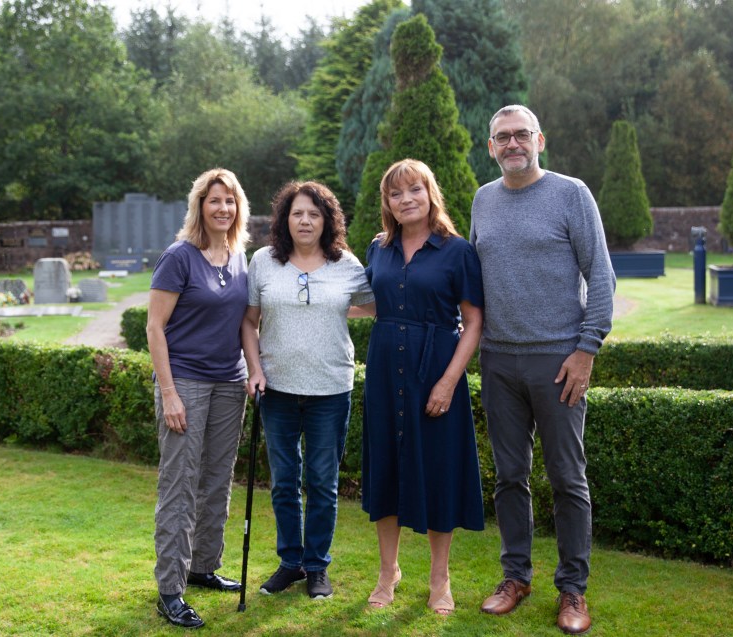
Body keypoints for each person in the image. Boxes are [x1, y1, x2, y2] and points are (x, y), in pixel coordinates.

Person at [470, 105, 615, 635]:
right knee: (510, 476)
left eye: (521, 135)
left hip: (558, 360)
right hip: (498, 360)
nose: (512, 144)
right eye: (502, 137)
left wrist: (586, 349)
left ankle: (573, 589)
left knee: (566, 477)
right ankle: (516, 577)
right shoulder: (483, 201)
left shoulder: (571, 193)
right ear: (490, 147)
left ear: (540, 140)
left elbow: (600, 274)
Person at [360, 159, 485, 615]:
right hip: (383, 369)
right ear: (387, 203)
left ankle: (439, 578)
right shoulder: (378, 248)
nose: (406, 199)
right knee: (388, 469)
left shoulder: (457, 250)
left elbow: (473, 323)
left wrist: (448, 382)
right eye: (396, 194)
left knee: (437, 470)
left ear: (431, 193)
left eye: (414, 189)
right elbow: (368, 305)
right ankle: (387, 573)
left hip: (436, 368)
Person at [241, 181, 374, 601]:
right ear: (285, 218)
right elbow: (249, 321)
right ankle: (290, 562)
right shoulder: (263, 262)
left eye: (314, 214)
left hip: (330, 389)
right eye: (298, 213)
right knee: (284, 482)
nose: (305, 220)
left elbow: (374, 306)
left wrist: (333, 306)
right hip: (276, 388)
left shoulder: (347, 265)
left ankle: (317, 566)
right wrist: (255, 369)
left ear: (327, 220)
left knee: (321, 482)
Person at [147, 168, 251, 629]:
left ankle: (203, 566)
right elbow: (155, 328)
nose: (222, 208)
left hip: (231, 384)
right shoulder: (179, 257)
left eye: (229, 201)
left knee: (216, 480)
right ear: (200, 206)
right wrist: (169, 393)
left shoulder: (239, 256)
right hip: (185, 383)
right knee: (179, 485)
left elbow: (247, 322)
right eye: (214, 201)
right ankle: (170, 589)